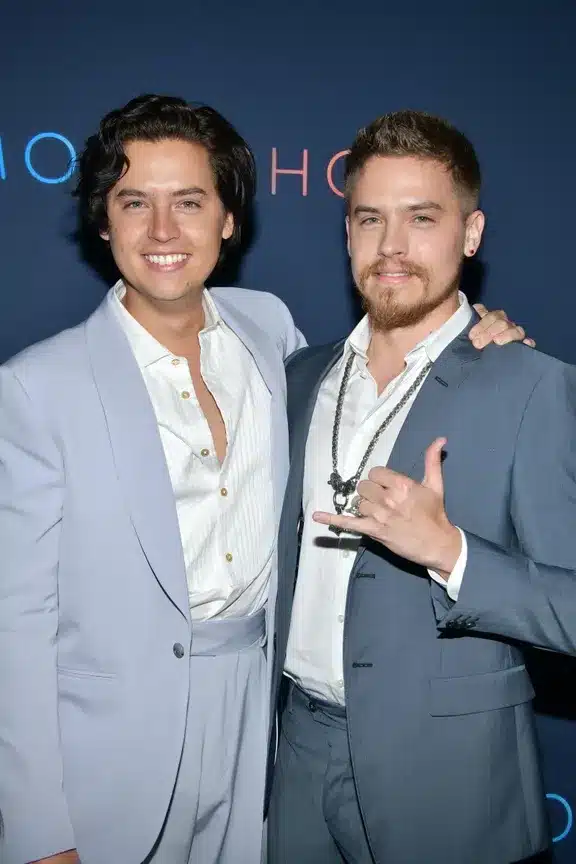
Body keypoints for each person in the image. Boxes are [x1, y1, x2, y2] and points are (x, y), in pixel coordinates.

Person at [0, 95, 530, 864]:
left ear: (227, 220)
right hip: (112, 750)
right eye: (134, 203)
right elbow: (14, 624)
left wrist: (477, 336)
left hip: (261, 730)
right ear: (103, 222)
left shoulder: (269, 331)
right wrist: (39, 828)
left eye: (189, 202)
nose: (162, 231)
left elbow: (379, 381)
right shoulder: (37, 386)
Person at [268, 109, 576, 864]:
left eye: (422, 218)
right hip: (296, 752)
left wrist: (451, 553)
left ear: (471, 234)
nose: (392, 247)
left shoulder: (533, 387)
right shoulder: (297, 379)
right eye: (370, 218)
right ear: (347, 232)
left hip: (448, 774)